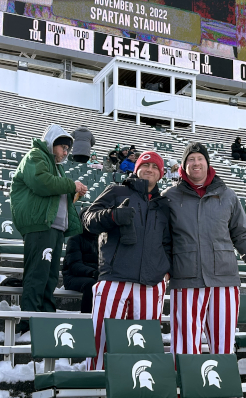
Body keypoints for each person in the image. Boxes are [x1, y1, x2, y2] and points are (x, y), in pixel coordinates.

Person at [163, 142, 246, 356]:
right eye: (190, 159)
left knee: (224, 344)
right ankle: (184, 388)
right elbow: (161, 238)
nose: (196, 163)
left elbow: (241, 234)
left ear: (208, 163)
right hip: (186, 278)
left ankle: (222, 390)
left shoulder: (227, 195)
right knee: (185, 344)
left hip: (224, 278)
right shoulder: (169, 197)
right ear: (183, 165)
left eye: (200, 158)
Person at [82, 151, 171, 370]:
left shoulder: (163, 204)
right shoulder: (116, 191)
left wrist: (166, 269)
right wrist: (112, 215)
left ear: (161, 174)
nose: (149, 170)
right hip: (115, 278)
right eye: (145, 165)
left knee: (143, 346)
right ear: (136, 168)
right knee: (101, 339)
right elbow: (88, 220)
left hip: (150, 284)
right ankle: (96, 386)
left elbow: (168, 243)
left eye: (155, 167)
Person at [9, 124, 87, 333]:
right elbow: (41, 182)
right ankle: (29, 323)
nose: (65, 152)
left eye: (68, 150)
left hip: (55, 228)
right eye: (63, 147)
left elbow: (55, 193)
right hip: (41, 226)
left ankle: (45, 318)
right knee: (38, 274)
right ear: (52, 143)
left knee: (50, 276)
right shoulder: (36, 155)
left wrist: (73, 192)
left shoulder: (56, 166)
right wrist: (72, 185)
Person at [62, 230, 99, 313]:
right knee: (92, 285)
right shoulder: (74, 240)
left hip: (95, 276)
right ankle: (87, 318)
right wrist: (93, 272)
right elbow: (74, 266)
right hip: (72, 277)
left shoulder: (103, 239)